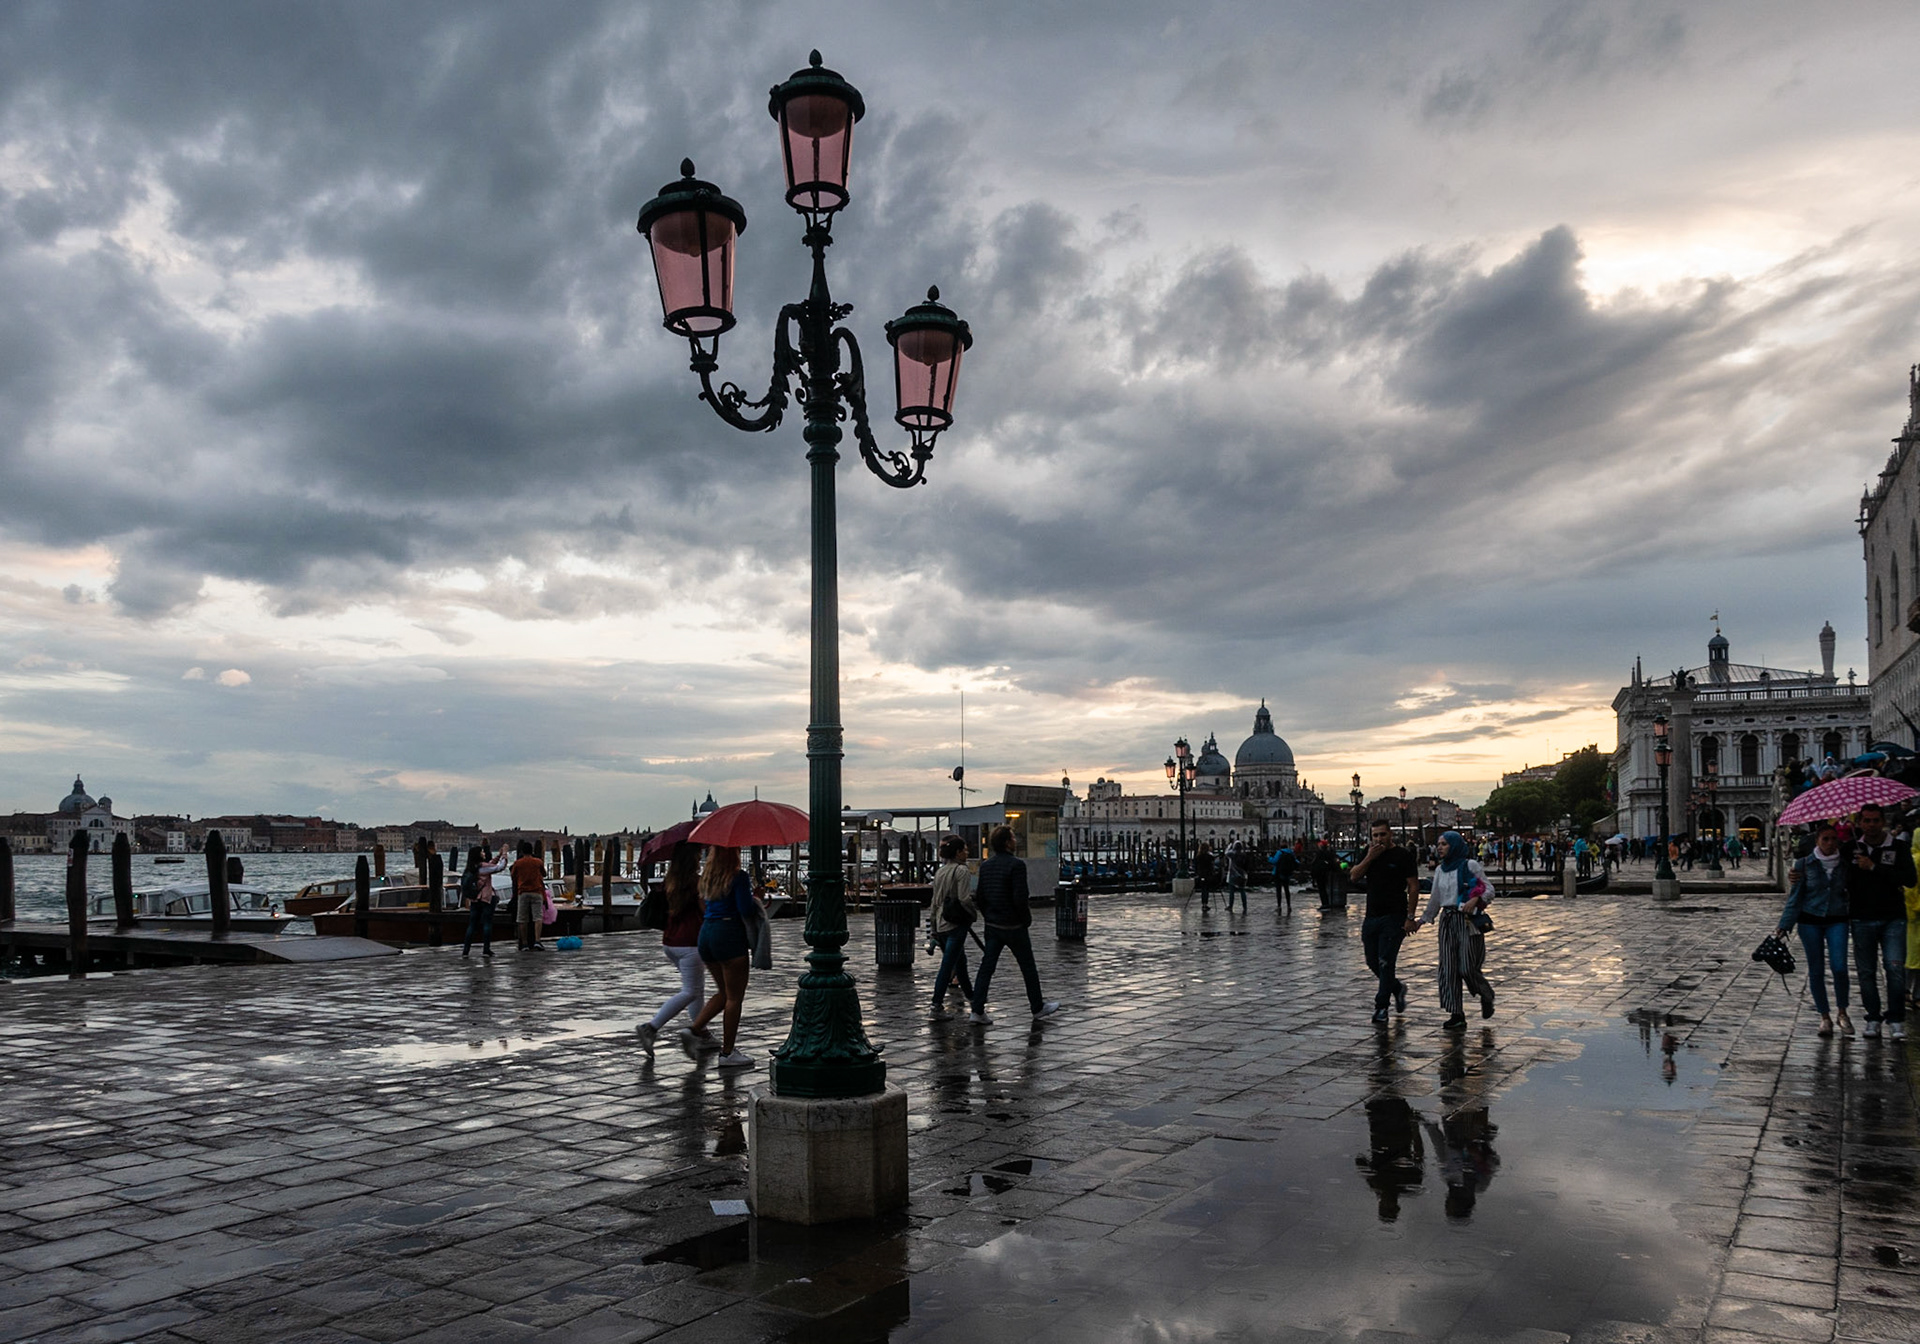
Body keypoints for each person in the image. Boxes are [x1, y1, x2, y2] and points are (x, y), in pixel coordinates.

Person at [970, 825, 1059, 1024]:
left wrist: (989, 916)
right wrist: (1025, 919)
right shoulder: (1016, 865)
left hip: (993, 925)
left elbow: (980, 897)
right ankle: (1037, 1007)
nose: (1015, 841)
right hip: (1013, 926)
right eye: (1013, 838)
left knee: (987, 967)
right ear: (1007, 842)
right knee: (1028, 967)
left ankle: (977, 1010)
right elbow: (1020, 897)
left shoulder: (986, 866)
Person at [636, 842, 716, 1057]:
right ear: (693, 859)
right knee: (690, 991)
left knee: (696, 990)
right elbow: (705, 910)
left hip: (671, 942)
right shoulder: (696, 883)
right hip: (690, 943)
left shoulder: (669, 881)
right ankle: (651, 1027)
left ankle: (702, 1033)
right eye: (699, 856)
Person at [1414, 830, 1495, 1029]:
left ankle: (1485, 992)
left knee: (1467, 966)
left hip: (1468, 921)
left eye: (1444, 844)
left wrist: (1475, 899)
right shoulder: (1441, 870)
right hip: (1447, 920)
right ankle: (1456, 1013)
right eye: (1439, 844)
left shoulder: (1470, 865)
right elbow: (1435, 899)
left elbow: (1489, 889)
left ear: (1454, 845)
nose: (1439, 848)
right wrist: (1422, 920)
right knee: (1448, 968)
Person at [688, 845, 759, 1068]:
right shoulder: (738, 877)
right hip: (728, 935)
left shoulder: (706, 879)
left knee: (724, 992)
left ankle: (693, 1029)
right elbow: (745, 909)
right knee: (735, 997)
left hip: (706, 934)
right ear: (734, 853)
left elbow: (703, 904)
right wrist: (756, 897)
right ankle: (728, 1052)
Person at [1778, 824, 1852, 1038]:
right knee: (1816, 969)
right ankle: (1825, 1017)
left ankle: (1842, 1012)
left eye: (1833, 839)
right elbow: (1796, 897)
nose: (1830, 844)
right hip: (1809, 921)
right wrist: (1785, 924)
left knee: (1839, 967)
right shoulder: (1804, 864)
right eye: (1825, 839)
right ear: (1817, 841)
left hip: (1837, 919)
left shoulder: (1846, 864)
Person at [1845, 804, 1910, 1040]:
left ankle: (1896, 1019)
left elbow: (1909, 879)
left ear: (1883, 821)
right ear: (1860, 823)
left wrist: (1874, 867)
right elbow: (1841, 878)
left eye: (1875, 820)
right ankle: (1872, 1017)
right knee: (1866, 972)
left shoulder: (1898, 847)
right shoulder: (1851, 848)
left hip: (1893, 917)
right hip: (1862, 917)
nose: (1871, 825)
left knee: (1894, 969)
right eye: (1866, 821)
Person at [1350, 820, 1419, 1024]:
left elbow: (1413, 886)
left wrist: (1410, 916)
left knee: (1385, 961)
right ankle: (1397, 988)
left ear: (1390, 834)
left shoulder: (1403, 856)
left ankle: (1381, 1007)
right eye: (1375, 836)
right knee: (1372, 961)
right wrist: (1370, 857)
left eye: (1382, 835)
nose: (1378, 839)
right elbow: (1353, 876)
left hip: (1394, 916)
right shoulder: (1368, 853)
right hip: (1371, 915)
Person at [928, 835, 978, 1014]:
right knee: (948, 964)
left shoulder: (939, 872)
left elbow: (934, 902)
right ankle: (936, 1003)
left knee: (960, 962)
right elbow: (964, 898)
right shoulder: (961, 870)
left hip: (940, 924)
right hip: (955, 924)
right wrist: (973, 914)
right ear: (957, 852)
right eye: (964, 849)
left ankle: (972, 997)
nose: (967, 852)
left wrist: (933, 928)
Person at [461, 845, 508, 958]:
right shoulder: (483, 867)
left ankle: (466, 951)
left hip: (474, 899)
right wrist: (505, 854)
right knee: (487, 923)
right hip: (486, 898)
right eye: (482, 852)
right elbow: (499, 867)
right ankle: (486, 950)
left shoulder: (471, 868)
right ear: (478, 855)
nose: (484, 853)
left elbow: (491, 865)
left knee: (472, 925)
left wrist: (498, 855)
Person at [509, 840, 547, 952]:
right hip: (536, 891)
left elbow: (513, 876)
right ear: (532, 851)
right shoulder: (538, 862)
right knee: (538, 917)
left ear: (521, 851)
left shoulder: (518, 863)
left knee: (522, 918)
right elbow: (544, 874)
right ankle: (537, 941)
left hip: (523, 892)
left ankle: (524, 943)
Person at [1273, 845, 1297, 913]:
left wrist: (1269, 858)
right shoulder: (1291, 852)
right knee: (1287, 889)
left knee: (1278, 890)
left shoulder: (1279, 852)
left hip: (1278, 873)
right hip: (1287, 873)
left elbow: (1274, 861)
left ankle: (1279, 906)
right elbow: (1296, 862)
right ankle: (1289, 906)